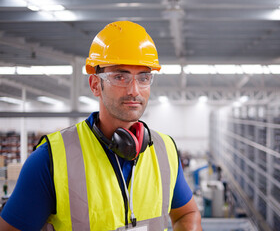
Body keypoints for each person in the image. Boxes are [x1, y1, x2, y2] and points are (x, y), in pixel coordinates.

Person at [0, 21, 202, 230]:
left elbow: (187, 213)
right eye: (120, 77)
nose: (134, 90)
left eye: (143, 78)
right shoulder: (50, 159)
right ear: (95, 84)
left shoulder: (165, 150)